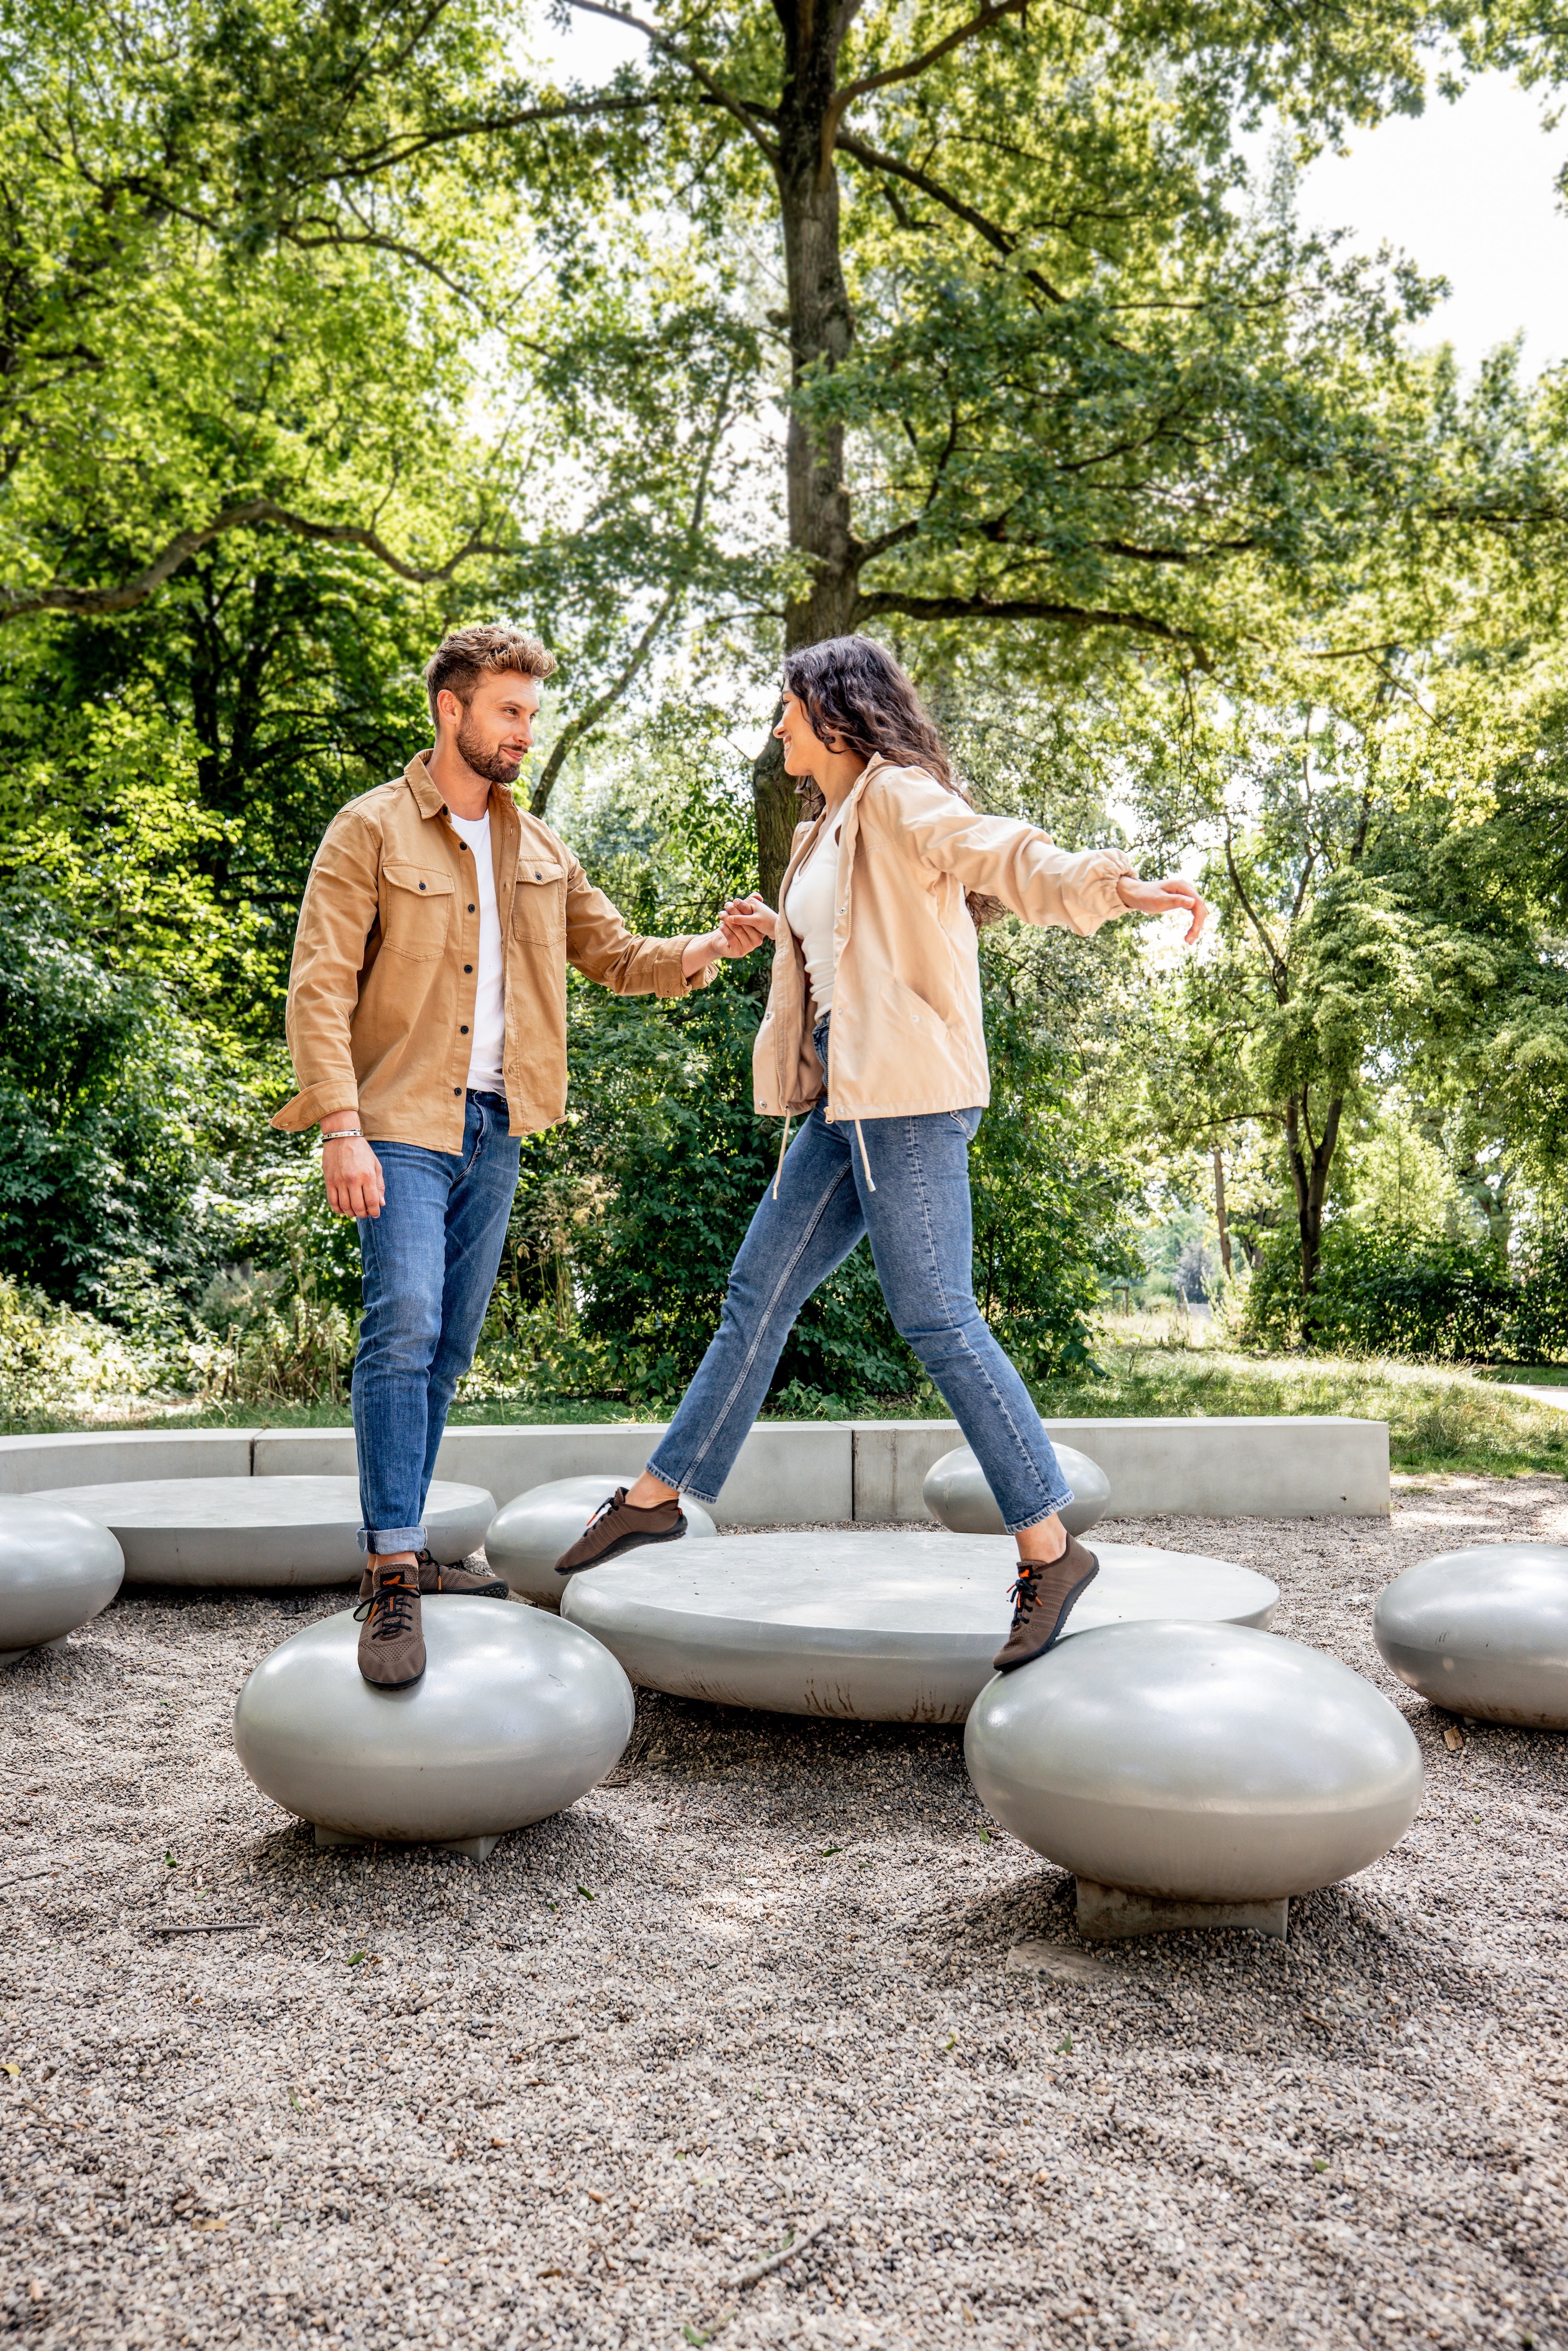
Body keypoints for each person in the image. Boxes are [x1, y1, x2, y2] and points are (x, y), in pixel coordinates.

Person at [555, 634, 1208, 1673]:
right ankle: (657, 1498)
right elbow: (846, 942)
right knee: (756, 1293)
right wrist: (778, 927)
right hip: (843, 1101)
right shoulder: (824, 831)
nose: (776, 727)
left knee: (935, 1315)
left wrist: (1114, 887)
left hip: (907, 1100)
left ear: (831, 714)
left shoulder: (901, 796)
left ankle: (1048, 1549)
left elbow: (1000, 852)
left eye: (787, 710)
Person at [272, 623, 761, 1689]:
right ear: (452, 711)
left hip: (495, 1125)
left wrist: (709, 951)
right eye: (509, 712)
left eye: (531, 715)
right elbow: (318, 988)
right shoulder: (368, 832)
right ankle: (392, 1571)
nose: (524, 733)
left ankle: (404, 1539)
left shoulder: (537, 848)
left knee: (444, 1350)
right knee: (402, 1322)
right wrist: (340, 1126)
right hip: (398, 1119)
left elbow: (616, 954)